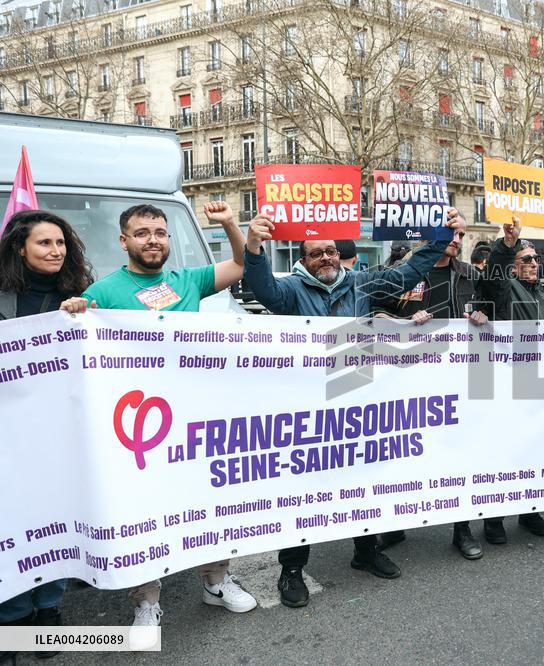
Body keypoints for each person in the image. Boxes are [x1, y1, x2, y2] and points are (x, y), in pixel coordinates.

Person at [242, 209, 469, 606]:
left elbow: (408, 272)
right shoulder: (291, 289)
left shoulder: (362, 284)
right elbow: (261, 289)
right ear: (303, 258)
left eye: (331, 251)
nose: (327, 258)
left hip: (358, 401)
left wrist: (439, 238)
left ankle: (366, 552)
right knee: (304, 493)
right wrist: (255, 247)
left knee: (364, 482)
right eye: (317, 254)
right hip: (308, 409)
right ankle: (292, 569)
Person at [82, 201, 256, 626]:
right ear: (124, 241)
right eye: (142, 233)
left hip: (192, 415)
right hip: (137, 424)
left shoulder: (188, 279)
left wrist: (232, 223)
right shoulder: (101, 292)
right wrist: (73, 313)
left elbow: (239, 265)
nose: (153, 240)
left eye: (160, 232)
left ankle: (217, 581)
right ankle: (146, 598)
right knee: (142, 508)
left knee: (206, 499)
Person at [0, 210, 96, 662]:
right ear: (21, 248)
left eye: (60, 243)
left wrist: (83, 318)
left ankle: (49, 611)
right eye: (44, 243)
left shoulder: (76, 301)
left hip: (58, 436)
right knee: (13, 523)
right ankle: (14, 615)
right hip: (9, 437)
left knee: (55, 520)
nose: (55, 251)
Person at [377, 222, 491, 560]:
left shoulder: (470, 273)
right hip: (408, 379)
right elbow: (374, 312)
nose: (457, 240)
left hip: (458, 378)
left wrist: (486, 313)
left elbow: (493, 306)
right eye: (450, 235)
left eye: (460, 235)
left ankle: (461, 528)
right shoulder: (402, 273)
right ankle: (394, 522)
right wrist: (402, 323)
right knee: (402, 452)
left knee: (459, 453)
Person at [476, 217, 544, 538]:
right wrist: (507, 245)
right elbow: (493, 278)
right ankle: (494, 519)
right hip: (507, 382)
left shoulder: (542, 295)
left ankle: (530, 510)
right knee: (504, 451)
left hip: (538, 385)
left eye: (536, 258)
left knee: (533, 449)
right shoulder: (507, 289)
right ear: (513, 266)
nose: (534, 263)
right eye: (527, 259)